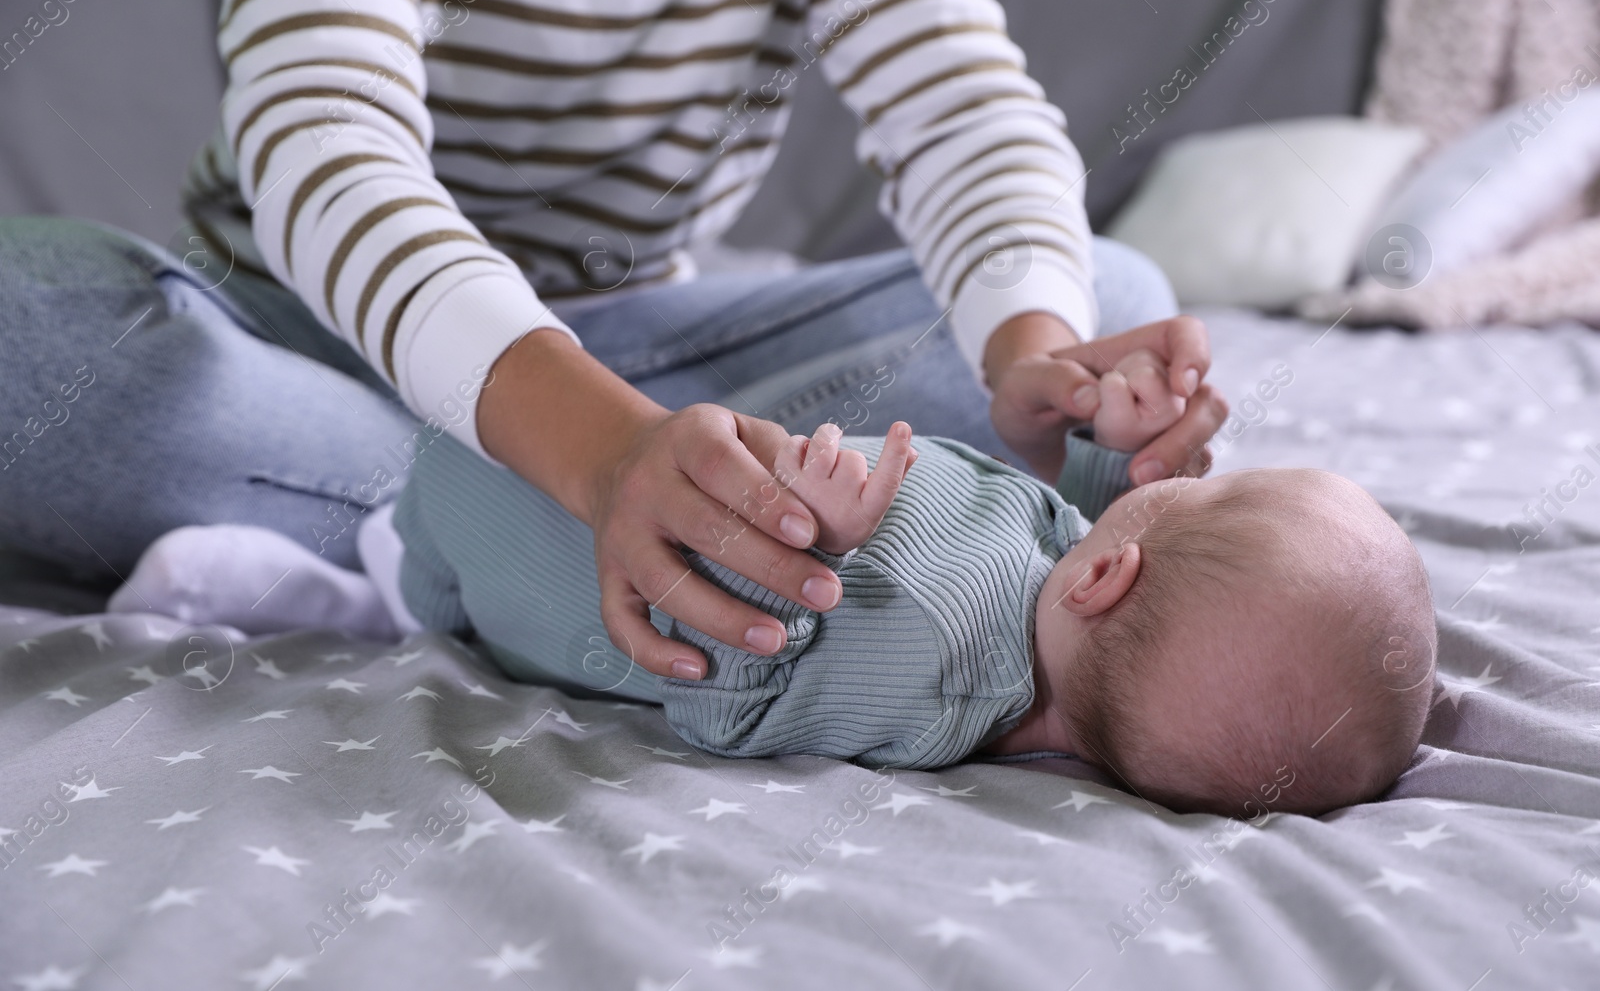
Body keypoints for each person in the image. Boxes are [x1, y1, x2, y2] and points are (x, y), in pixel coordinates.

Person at [0, 0, 1225, 682]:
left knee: (1103, 295)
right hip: (292, 335)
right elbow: (327, 140)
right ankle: (558, 512)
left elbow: (961, 111)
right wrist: (596, 451)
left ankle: (491, 528)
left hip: (638, 356)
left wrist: (1033, 350)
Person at [106, 347, 1434, 816]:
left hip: (541, 562)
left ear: (1112, 575)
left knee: (435, 508)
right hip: (645, 448)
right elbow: (1066, 519)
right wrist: (1105, 443)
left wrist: (810, 561)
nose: (1182, 474)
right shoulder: (1050, 603)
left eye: (1201, 489)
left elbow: (727, 703)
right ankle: (380, 560)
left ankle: (364, 592)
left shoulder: (933, 656)